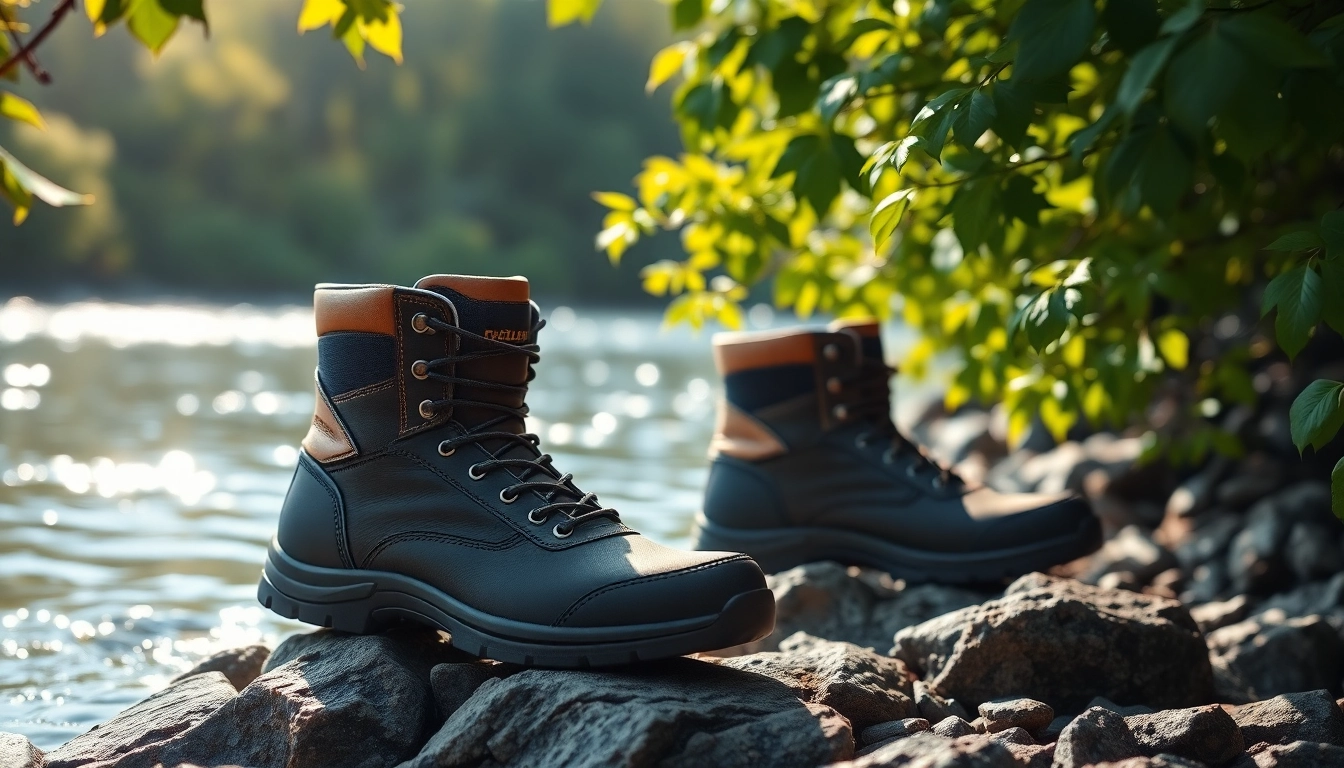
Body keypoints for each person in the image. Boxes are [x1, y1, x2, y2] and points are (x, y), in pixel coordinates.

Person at [258, 273, 1100, 666]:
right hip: (365, 503)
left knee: (491, 430)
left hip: (351, 511)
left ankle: (347, 524)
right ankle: (362, 520)